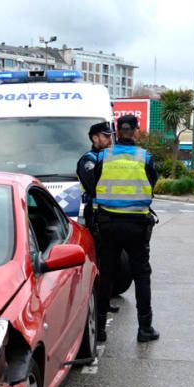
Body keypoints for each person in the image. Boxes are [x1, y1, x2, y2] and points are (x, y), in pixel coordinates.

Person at [92, 114, 159, 343]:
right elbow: (152, 184)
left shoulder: (103, 156)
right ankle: (145, 328)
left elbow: (92, 184)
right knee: (141, 274)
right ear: (136, 132)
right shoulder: (144, 157)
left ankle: (99, 329)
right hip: (136, 225)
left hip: (108, 224)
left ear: (117, 132)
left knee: (107, 273)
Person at [76, 121, 118, 313]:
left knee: (110, 261)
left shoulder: (112, 158)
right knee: (99, 260)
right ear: (95, 138)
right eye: (105, 136)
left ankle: (105, 301)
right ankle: (98, 304)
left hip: (113, 214)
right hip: (96, 214)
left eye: (110, 136)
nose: (110, 140)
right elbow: (94, 186)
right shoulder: (88, 160)